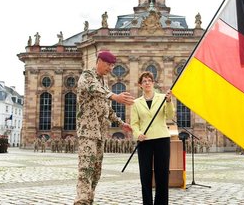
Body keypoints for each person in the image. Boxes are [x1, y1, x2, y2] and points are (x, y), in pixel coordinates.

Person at [74, 50, 134, 205]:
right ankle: (81, 201)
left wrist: (121, 123)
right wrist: (114, 96)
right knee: (86, 169)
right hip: (88, 132)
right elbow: (93, 88)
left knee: (96, 171)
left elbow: (107, 109)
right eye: (108, 64)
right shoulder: (88, 76)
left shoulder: (104, 82)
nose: (110, 68)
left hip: (100, 133)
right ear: (99, 61)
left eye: (112, 65)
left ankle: (89, 199)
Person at [131, 71, 174, 205]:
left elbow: (170, 116)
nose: (147, 82)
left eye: (149, 80)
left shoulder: (162, 98)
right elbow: (134, 123)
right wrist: (138, 134)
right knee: (145, 175)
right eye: (144, 81)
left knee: (162, 174)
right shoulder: (136, 103)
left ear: (153, 83)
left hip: (162, 139)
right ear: (140, 85)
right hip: (145, 141)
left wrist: (168, 101)